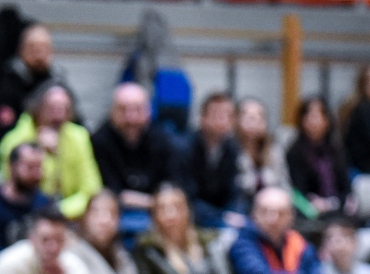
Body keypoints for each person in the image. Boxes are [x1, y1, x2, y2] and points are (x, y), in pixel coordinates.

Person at [136, 183, 270, 274]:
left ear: (188, 209)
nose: (171, 214)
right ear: (154, 214)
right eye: (163, 209)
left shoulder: (209, 241)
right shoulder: (148, 249)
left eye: (177, 206)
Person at [228, 187, 340, 274]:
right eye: (265, 212)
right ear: (254, 214)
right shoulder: (244, 245)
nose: (273, 219)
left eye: (280, 213)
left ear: (291, 216)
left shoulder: (298, 243)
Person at [0, 84, 101, 219]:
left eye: (64, 109)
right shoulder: (14, 141)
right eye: (52, 109)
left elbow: (90, 189)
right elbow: (13, 189)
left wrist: (59, 211)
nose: (59, 115)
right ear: (37, 109)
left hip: (68, 214)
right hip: (24, 213)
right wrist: (43, 152)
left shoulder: (79, 137)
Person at [91, 83, 177, 234]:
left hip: (157, 212)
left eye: (137, 110)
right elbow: (109, 190)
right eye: (123, 110)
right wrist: (152, 201)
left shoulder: (164, 139)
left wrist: (154, 201)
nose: (131, 118)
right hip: (115, 213)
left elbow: (172, 183)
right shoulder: (99, 141)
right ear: (112, 112)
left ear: (148, 112)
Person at [68, 189, 148, 274]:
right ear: (84, 218)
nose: (104, 220)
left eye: (112, 213)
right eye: (97, 213)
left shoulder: (122, 254)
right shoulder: (72, 255)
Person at [0, 206, 90, 274]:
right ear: (31, 239)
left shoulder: (74, 267)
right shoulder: (8, 266)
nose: (53, 247)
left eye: (58, 239)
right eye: (45, 239)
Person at [182, 92, 245, 228]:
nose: (223, 121)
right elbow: (187, 194)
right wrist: (222, 216)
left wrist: (235, 213)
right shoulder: (185, 147)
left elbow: (234, 190)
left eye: (228, 116)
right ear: (202, 118)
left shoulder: (232, 148)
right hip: (194, 214)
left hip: (223, 215)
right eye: (217, 115)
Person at [284, 97, 352, 217]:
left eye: (320, 116)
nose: (315, 121)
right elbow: (298, 190)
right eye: (310, 116)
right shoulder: (294, 151)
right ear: (302, 120)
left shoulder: (336, 149)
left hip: (337, 207)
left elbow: (345, 185)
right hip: (309, 210)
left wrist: (340, 202)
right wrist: (314, 203)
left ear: (327, 120)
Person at [0, 25, 67, 137]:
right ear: (21, 50)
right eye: (33, 48)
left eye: (43, 48)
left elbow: (74, 121)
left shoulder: (58, 83)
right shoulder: (7, 84)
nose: (39, 54)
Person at [235, 98, 289, 204]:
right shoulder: (230, 149)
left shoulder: (274, 150)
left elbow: (284, 185)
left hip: (272, 205)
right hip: (240, 206)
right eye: (249, 118)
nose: (254, 123)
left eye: (259, 117)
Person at [0, 143, 52, 248]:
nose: (37, 174)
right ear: (12, 166)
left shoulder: (44, 203)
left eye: (39, 167)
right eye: (30, 167)